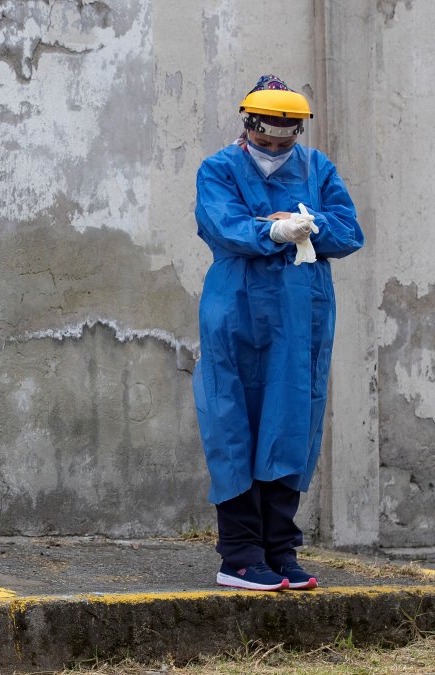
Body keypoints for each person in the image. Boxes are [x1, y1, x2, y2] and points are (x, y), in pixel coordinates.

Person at [192, 75, 364, 592]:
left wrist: (311, 224)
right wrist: (270, 229)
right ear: (248, 126)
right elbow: (221, 223)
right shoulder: (220, 168)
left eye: (284, 140)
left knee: (290, 422)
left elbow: (350, 230)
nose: (274, 149)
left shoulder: (318, 169)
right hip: (237, 310)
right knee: (233, 420)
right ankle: (240, 556)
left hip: (299, 314)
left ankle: (280, 549)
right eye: (265, 140)